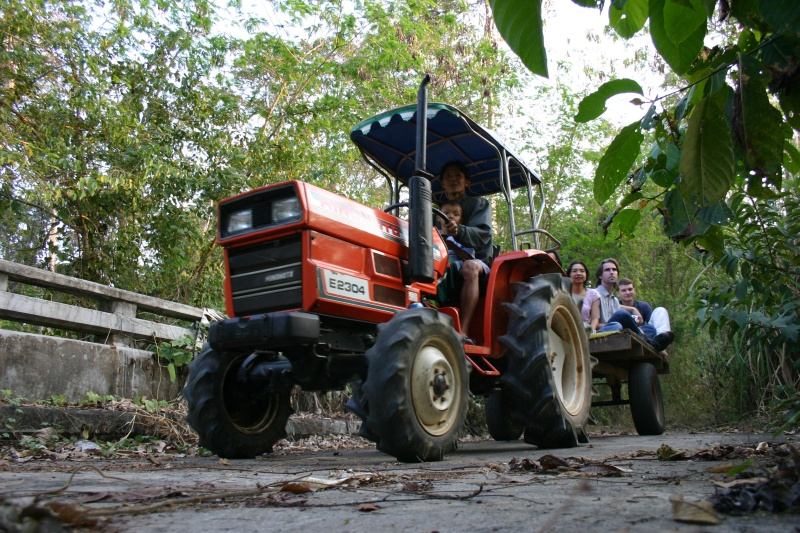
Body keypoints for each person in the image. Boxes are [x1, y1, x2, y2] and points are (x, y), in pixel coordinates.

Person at [437, 161, 492, 339]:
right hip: (445, 258)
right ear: (442, 183)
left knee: (470, 266)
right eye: (448, 177)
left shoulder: (479, 204)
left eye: (458, 176)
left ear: (467, 182)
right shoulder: (436, 211)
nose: (453, 180)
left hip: (477, 259)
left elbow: (483, 235)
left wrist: (458, 231)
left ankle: (464, 330)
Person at [618, 278, 675, 351]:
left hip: (646, 336)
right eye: (624, 290)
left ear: (634, 290)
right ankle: (657, 344)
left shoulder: (643, 306)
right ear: (618, 293)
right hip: (628, 335)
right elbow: (611, 306)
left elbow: (652, 327)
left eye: (630, 289)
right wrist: (632, 310)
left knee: (661, 310)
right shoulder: (616, 307)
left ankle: (661, 344)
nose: (628, 292)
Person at [589, 258, 644, 334]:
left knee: (649, 328)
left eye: (614, 270)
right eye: (607, 270)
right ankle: (643, 337)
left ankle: (643, 336)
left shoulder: (614, 300)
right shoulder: (593, 294)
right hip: (599, 333)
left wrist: (633, 311)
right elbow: (592, 324)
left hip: (616, 331)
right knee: (619, 320)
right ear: (600, 276)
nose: (611, 272)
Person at [438, 199, 489, 274]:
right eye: (445, 213)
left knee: (464, 266)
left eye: (456, 214)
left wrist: (452, 246)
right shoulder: (433, 234)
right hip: (437, 264)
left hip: (458, 266)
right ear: (438, 218)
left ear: (461, 220)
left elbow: (469, 257)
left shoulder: (463, 237)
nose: (450, 216)